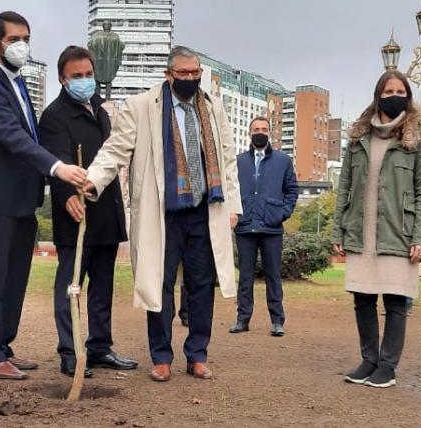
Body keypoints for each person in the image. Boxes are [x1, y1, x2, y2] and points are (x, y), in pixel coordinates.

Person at [83, 46, 242, 383]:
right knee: (160, 284)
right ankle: (161, 356)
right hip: (163, 214)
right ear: (168, 74)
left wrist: (233, 207)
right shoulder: (141, 107)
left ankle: (197, 354)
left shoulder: (212, 107)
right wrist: (93, 179)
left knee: (202, 286)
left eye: (195, 73)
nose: (190, 79)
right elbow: (116, 149)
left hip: (204, 209)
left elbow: (227, 159)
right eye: (183, 73)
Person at [0, 11, 87, 380]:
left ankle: (3, 345)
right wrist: (57, 168)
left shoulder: (17, 83)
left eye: (26, 39)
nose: (22, 46)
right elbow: (13, 139)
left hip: (20, 200)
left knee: (14, 279)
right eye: (14, 39)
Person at [330, 70, 421, 389]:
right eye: (388, 90)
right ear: (378, 95)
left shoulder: (420, 138)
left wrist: (420, 237)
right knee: (362, 299)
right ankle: (369, 360)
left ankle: (387, 367)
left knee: (395, 301)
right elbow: (344, 185)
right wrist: (338, 230)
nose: (394, 95)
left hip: (398, 233)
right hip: (361, 232)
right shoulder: (359, 137)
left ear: (408, 96)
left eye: (400, 90)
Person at [39, 45, 137, 379]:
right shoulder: (54, 116)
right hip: (76, 216)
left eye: (88, 74)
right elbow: (57, 160)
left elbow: (112, 159)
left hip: (107, 215)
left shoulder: (101, 111)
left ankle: (99, 348)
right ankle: (70, 350)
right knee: (70, 287)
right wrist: (68, 193)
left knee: (102, 289)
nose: (84, 81)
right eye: (76, 76)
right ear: (62, 79)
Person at [230, 117, 298, 336]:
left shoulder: (283, 161)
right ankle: (242, 319)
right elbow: (230, 190)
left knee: (273, 276)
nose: (260, 132)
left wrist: (282, 213)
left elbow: (291, 191)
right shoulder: (238, 161)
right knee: (245, 277)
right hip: (245, 226)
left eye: (264, 129)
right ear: (250, 133)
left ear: (270, 133)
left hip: (271, 227)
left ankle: (277, 321)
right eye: (256, 129)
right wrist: (234, 214)